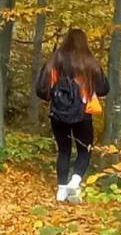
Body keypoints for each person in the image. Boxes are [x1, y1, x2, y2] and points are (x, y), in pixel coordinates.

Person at [36, 28, 109, 203]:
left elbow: (41, 90)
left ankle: (61, 191)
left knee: (64, 151)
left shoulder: (53, 63)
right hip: (83, 115)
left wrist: (57, 96)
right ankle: (75, 182)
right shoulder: (90, 63)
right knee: (85, 150)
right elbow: (103, 89)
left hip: (58, 114)